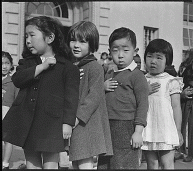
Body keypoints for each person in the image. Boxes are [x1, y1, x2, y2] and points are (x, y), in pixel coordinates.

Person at [2, 16, 80, 169]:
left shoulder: (67, 67)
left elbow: (71, 98)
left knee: (50, 164)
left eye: (32, 35)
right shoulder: (28, 63)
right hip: (28, 122)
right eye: (26, 36)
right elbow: (18, 79)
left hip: (52, 124)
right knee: (32, 165)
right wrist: (42, 67)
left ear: (50, 37)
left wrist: (68, 123)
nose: (28, 40)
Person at [97, 27, 149, 169]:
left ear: (135, 52)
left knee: (124, 165)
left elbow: (143, 105)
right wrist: (102, 87)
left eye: (125, 50)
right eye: (115, 50)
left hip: (126, 127)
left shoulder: (137, 76)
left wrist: (138, 132)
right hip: (107, 125)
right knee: (104, 165)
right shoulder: (109, 74)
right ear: (109, 52)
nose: (120, 55)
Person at [66, 21, 113, 169]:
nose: (76, 45)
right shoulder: (73, 66)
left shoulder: (94, 67)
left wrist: (77, 117)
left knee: (84, 161)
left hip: (86, 122)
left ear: (92, 45)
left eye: (82, 41)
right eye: (73, 40)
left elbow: (94, 95)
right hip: (76, 121)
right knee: (75, 161)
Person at [141, 39, 184, 169]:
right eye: (149, 57)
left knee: (167, 164)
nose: (153, 61)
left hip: (166, 130)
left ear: (167, 61)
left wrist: (178, 131)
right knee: (151, 165)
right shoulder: (142, 79)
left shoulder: (171, 81)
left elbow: (176, 107)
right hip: (148, 129)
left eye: (159, 58)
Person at [2, 51, 20, 169]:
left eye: (7, 63)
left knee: (8, 139)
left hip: (7, 113)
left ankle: (5, 163)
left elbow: (17, 99)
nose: (4, 66)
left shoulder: (14, 81)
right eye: (2, 63)